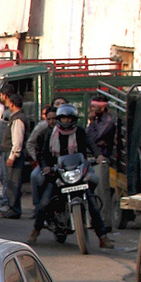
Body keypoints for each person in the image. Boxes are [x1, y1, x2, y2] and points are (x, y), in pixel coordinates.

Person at [29, 103, 109, 248]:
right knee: (44, 203)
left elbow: (92, 146)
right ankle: (36, 229)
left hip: (78, 173)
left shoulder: (80, 132)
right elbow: (43, 154)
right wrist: (46, 167)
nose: (66, 121)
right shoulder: (50, 134)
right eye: (63, 118)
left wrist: (99, 156)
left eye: (69, 118)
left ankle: (103, 237)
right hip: (58, 174)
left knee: (92, 203)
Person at [0, 91, 31, 218]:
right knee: (9, 181)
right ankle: (11, 207)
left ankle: (14, 209)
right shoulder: (16, 117)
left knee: (13, 182)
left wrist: (12, 156)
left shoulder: (18, 119)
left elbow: (17, 141)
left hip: (13, 155)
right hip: (11, 153)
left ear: (12, 104)